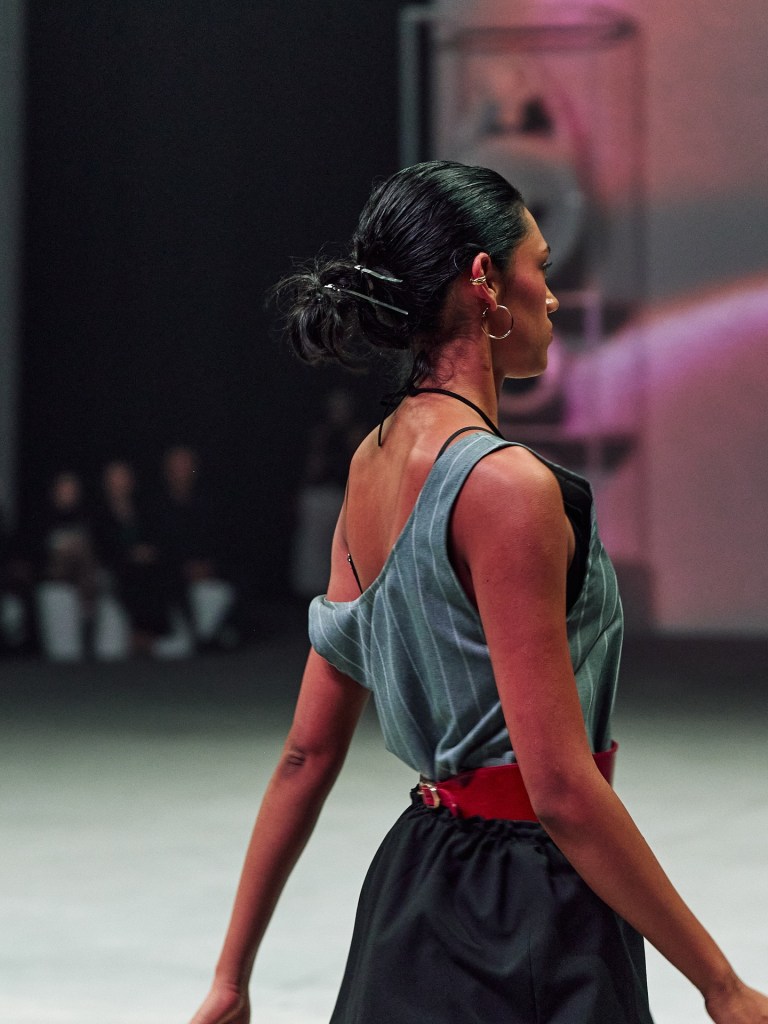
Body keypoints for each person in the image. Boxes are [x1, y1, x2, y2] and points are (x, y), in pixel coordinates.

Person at [188, 161, 767, 1024]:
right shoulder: (505, 488)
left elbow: (307, 754)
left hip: (414, 896)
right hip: (533, 913)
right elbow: (559, 789)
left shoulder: (371, 465)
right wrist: (723, 988)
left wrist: (231, 979)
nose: (555, 297)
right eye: (541, 266)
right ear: (486, 281)